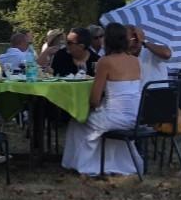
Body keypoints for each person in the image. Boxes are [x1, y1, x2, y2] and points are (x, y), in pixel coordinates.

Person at [61, 22, 143, 176]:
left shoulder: (105, 61)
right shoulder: (135, 60)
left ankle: (86, 164)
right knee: (93, 121)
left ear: (108, 40)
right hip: (136, 116)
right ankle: (113, 162)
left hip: (115, 117)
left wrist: (88, 108)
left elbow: (95, 99)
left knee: (77, 121)